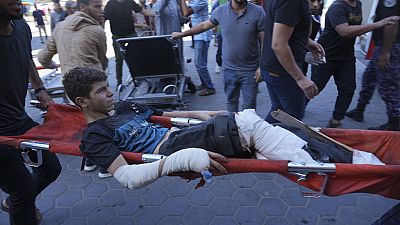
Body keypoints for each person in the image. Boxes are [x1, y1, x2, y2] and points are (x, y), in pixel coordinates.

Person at [62, 67, 384, 190]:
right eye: (102, 91)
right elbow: (129, 179)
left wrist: (211, 112)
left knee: (256, 130)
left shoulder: (126, 106)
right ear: (82, 101)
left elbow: (174, 114)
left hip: (184, 136)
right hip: (173, 150)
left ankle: (353, 165)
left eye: (108, 87)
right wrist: (183, 159)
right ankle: (364, 167)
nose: (111, 93)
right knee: (249, 124)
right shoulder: (95, 136)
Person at [0, 0, 61, 224]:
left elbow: (27, 60)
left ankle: (15, 202)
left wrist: (40, 89)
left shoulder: (22, 28)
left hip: (19, 120)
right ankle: (20, 202)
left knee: (51, 168)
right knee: (22, 190)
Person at [310, 0, 399, 128]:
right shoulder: (338, 7)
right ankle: (293, 111)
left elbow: (355, 25)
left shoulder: (357, 4)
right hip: (327, 55)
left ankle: (336, 121)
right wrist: (377, 24)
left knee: (348, 89)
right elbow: (344, 31)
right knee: (315, 87)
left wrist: (363, 33)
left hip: (346, 57)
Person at [172, 0, 266, 112]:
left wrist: (262, 66)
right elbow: (203, 26)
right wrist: (182, 34)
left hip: (250, 70)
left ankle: (248, 129)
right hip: (229, 69)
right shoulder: (220, 11)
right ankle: (232, 128)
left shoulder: (258, 12)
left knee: (249, 107)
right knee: (231, 103)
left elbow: (265, 41)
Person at [260, 0, 324, 123]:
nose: (316, 4)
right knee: (293, 118)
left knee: (279, 112)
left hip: (274, 68)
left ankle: (258, 137)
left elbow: (280, 26)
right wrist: (301, 79)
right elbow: (278, 44)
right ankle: (259, 137)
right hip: (282, 71)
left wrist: (308, 42)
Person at [346, 0, 400, 131]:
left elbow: (391, 24)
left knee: (388, 86)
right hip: (383, 47)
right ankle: (359, 110)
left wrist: (385, 52)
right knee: (369, 78)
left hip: (390, 47)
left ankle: (395, 122)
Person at [38, 0, 108, 74]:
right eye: (97, 7)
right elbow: (103, 63)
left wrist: (52, 65)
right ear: (83, 7)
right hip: (95, 81)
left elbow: (43, 58)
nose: (101, 11)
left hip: (70, 82)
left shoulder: (59, 27)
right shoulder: (96, 30)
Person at [104, 0, 155, 86]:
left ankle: (140, 77)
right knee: (119, 59)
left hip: (131, 34)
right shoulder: (111, 4)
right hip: (117, 36)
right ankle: (119, 82)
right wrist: (101, 31)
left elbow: (143, 12)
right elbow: (104, 18)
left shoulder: (129, 1)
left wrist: (155, 14)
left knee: (137, 55)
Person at [179, 0, 216, 96]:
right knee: (198, 63)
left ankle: (210, 87)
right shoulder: (195, 1)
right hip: (198, 35)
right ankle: (204, 84)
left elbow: (186, 12)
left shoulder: (200, 1)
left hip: (202, 36)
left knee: (200, 64)